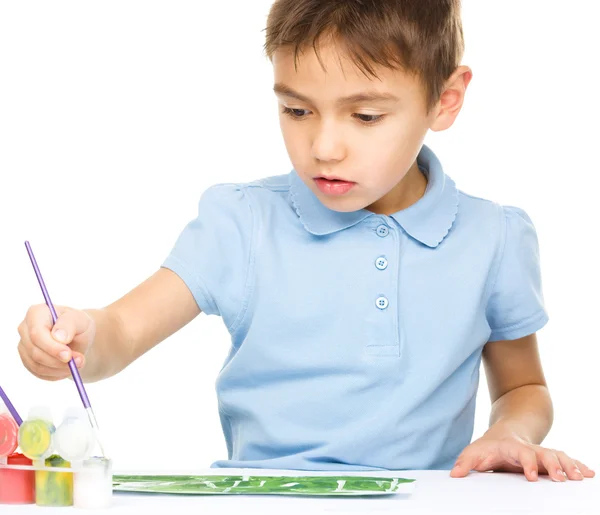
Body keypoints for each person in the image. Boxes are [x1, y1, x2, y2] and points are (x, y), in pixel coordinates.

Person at [16, 0, 595, 481]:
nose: (323, 147)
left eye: (365, 116)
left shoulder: (493, 237)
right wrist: (79, 336)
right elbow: (120, 332)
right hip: (262, 498)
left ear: (445, 99)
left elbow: (524, 385)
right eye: (296, 109)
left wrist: (508, 435)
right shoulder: (241, 222)